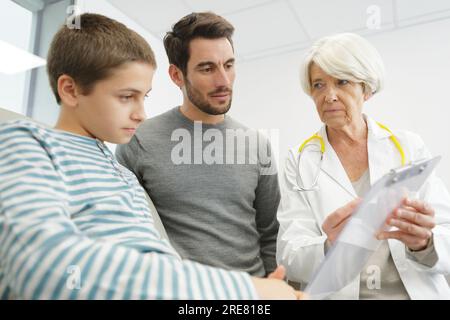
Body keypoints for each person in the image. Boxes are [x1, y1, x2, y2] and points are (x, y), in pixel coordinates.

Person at [0, 13, 302, 300]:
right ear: (70, 89)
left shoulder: (121, 174)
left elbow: (162, 260)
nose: (141, 114)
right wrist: (242, 290)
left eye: (143, 97)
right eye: (126, 97)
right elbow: (41, 266)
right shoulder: (27, 142)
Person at [276, 33, 450, 299]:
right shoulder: (300, 160)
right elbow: (289, 254)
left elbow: (445, 229)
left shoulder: (407, 147)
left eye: (342, 82)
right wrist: (328, 245)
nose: (329, 96)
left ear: (366, 90)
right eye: (319, 85)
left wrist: (424, 243)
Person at [116, 12, 280, 277]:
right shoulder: (139, 140)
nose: (224, 81)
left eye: (228, 65)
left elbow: (270, 234)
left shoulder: (258, 144)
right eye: (207, 68)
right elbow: (126, 232)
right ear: (177, 75)